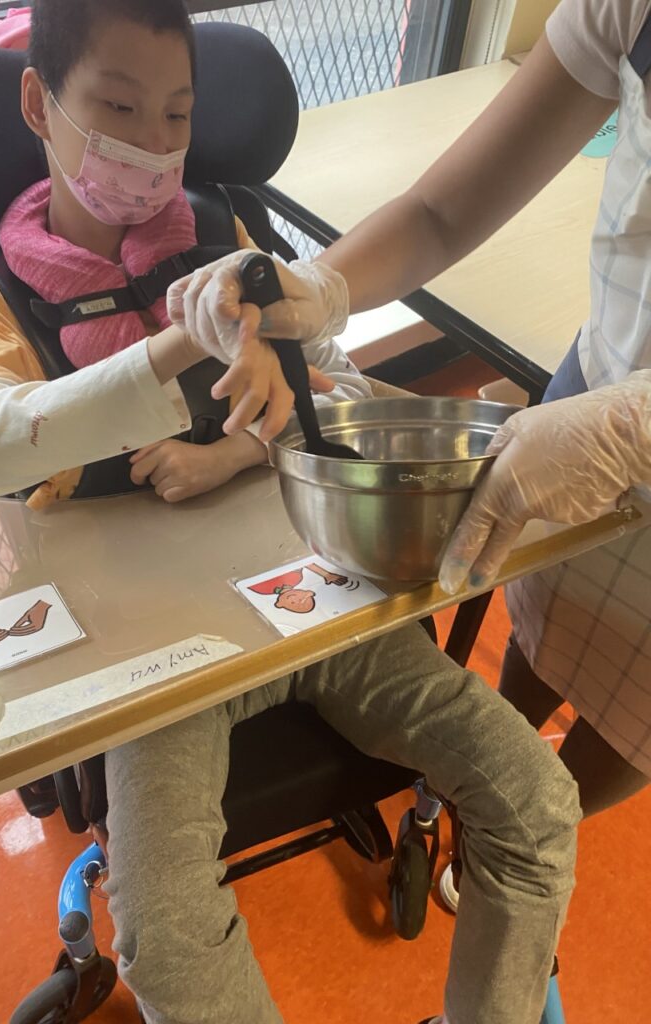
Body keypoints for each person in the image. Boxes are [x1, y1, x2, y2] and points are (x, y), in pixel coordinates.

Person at [0, 3, 581, 1023]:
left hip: (303, 589)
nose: (153, 145)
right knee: (168, 940)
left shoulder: (226, 237)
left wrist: (240, 442)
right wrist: (173, 352)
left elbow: (344, 395)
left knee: (537, 801)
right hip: (151, 658)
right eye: (120, 108)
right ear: (39, 103)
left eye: (177, 113)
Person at [169, 0, 651, 823]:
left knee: (630, 719)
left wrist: (633, 427)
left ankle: (526, 826)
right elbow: (441, 211)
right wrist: (321, 282)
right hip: (598, 375)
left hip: (609, 423)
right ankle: (470, 795)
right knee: (545, 620)